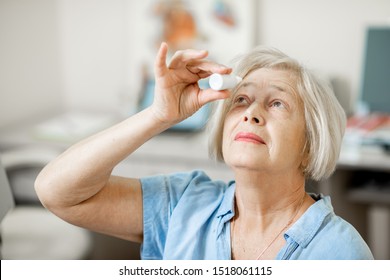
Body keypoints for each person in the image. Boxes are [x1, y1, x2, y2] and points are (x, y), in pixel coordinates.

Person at [35, 42, 373, 260]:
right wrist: (158, 115)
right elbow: (56, 192)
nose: (250, 113)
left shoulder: (340, 253)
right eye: (241, 99)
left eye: (277, 103)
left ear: (309, 143)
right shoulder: (182, 205)